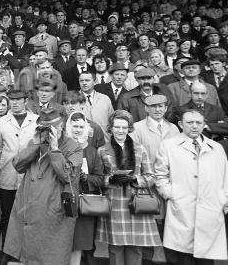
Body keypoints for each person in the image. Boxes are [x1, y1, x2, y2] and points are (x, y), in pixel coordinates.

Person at [3, 108, 82, 265]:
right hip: (29, 207)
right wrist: (34, 144)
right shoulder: (36, 143)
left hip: (53, 210)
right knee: (28, 255)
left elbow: (68, 176)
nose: (48, 133)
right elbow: (17, 165)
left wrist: (55, 150)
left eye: (51, 129)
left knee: (51, 257)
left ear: (61, 127)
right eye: (44, 128)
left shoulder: (73, 146)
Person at [155, 108, 228, 263]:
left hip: (210, 212)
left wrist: (223, 201)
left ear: (204, 125)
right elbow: (160, 176)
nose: (194, 126)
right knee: (181, 258)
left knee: (206, 259)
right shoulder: (169, 145)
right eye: (190, 123)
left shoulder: (216, 148)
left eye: (198, 123)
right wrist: (172, 194)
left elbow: (225, 178)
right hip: (182, 211)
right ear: (181, 124)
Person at [96, 110, 162, 265]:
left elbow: (151, 176)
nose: (120, 131)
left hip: (136, 202)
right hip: (114, 203)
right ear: (110, 128)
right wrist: (111, 179)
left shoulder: (140, 149)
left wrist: (135, 179)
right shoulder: (102, 150)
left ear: (129, 129)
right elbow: (98, 179)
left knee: (136, 249)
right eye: (117, 127)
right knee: (115, 249)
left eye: (124, 127)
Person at [0, 90, 38, 265]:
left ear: (25, 100)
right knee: (7, 213)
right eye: (12, 100)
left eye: (19, 100)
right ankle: (6, 249)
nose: (15, 103)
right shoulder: (2, 122)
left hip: (29, 174)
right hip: (8, 174)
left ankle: (25, 250)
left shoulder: (36, 120)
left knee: (27, 214)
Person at [67, 112, 104, 265]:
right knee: (63, 240)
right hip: (64, 200)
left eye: (81, 126)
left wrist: (86, 178)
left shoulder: (92, 151)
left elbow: (100, 178)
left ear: (86, 128)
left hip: (84, 203)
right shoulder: (63, 147)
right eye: (75, 126)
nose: (78, 129)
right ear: (69, 127)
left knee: (80, 242)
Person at [130, 94, 180, 162]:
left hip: (171, 171)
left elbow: (178, 154)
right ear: (146, 108)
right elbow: (133, 156)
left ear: (165, 108)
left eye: (160, 106)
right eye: (153, 106)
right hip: (148, 172)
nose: (157, 110)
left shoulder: (173, 128)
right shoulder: (137, 128)